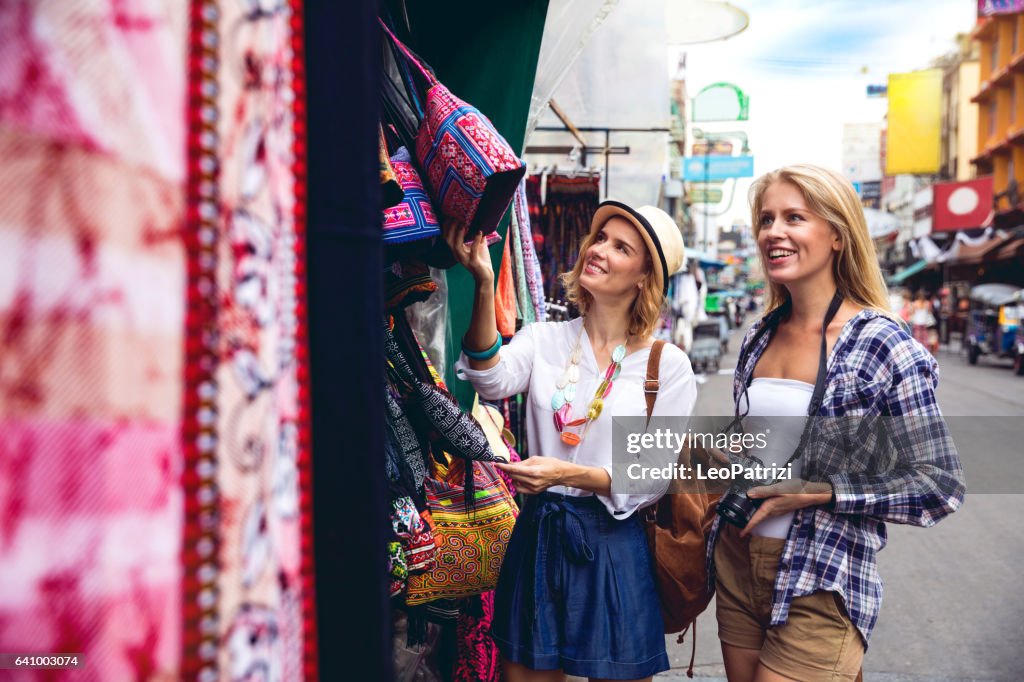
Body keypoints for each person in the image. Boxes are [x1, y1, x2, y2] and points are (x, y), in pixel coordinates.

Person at [708, 165, 965, 682]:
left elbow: (939, 486)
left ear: (837, 237)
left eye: (794, 217)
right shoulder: (759, 335)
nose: (773, 232)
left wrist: (820, 491)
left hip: (821, 572)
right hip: (738, 557)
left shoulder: (882, 343)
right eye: (766, 219)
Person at [450, 201, 698, 682]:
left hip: (614, 541)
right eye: (600, 238)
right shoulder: (545, 339)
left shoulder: (665, 366)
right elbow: (489, 378)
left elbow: (649, 477)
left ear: (644, 277)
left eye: (621, 247)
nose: (599, 250)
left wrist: (564, 473)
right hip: (540, 531)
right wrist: (483, 283)